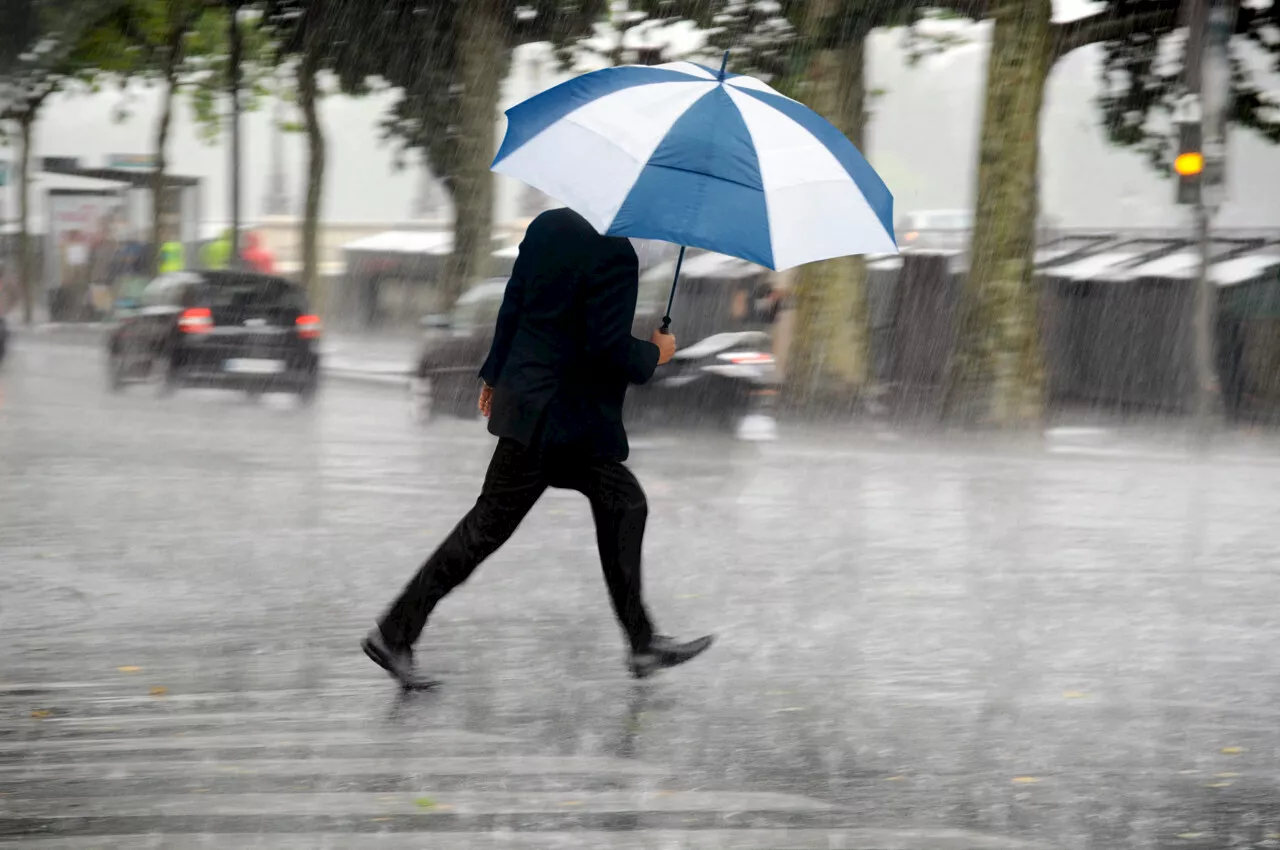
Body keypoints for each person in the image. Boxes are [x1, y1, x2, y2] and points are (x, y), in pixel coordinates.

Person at [362, 208, 713, 689]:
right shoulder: (615, 254)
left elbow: (514, 304)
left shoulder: (548, 226)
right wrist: (656, 352)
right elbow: (604, 346)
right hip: (562, 421)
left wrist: (493, 373)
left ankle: (642, 643)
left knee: (622, 503)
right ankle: (394, 632)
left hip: (536, 408)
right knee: (489, 527)